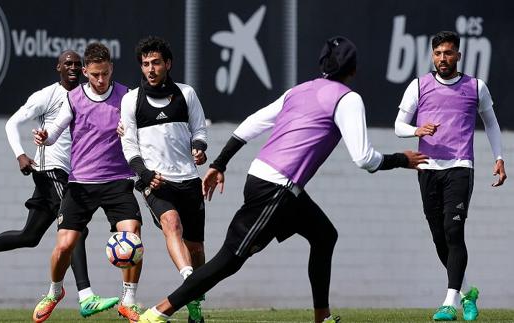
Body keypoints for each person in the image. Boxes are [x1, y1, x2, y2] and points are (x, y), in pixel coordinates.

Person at [136, 36, 428, 323]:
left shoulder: (299, 90)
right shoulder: (349, 99)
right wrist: (402, 159)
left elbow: (251, 124)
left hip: (270, 181)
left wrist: (220, 163)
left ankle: (322, 317)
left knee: (325, 235)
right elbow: (365, 159)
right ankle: (159, 312)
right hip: (277, 189)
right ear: (353, 69)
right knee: (229, 260)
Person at [0, 50, 119, 318]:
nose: (73, 68)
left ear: (85, 69)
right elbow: (12, 123)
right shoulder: (47, 96)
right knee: (77, 231)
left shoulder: (87, 95)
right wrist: (20, 154)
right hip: (52, 171)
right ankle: (85, 296)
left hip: (66, 174)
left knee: (29, 236)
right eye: (68, 64)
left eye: (77, 64)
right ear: (58, 68)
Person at [394, 30, 506, 321]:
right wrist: (416, 130)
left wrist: (499, 158)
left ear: (458, 55)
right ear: (432, 56)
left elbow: (491, 124)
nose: (443, 58)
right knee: (440, 237)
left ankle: (448, 303)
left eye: (448, 53)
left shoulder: (476, 87)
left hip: (460, 167)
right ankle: (468, 293)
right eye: (438, 53)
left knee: (454, 231)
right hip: (427, 168)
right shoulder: (418, 86)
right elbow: (398, 126)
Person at [31, 43, 143, 323]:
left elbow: (140, 131)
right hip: (81, 183)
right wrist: (46, 136)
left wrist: (129, 132)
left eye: (105, 73)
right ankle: (55, 291)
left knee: (132, 237)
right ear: (85, 72)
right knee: (65, 245)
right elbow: (56, 131)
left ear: (111, 69)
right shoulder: (74, 98)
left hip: (118, 180)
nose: (101, 80)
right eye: (95, 75)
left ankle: (128, 300)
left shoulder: (127, 96)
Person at [120, 36, 208, 323]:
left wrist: (199, 148)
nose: (150, 69)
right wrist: (144, 175)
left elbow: (200, 131)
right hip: (156, 181)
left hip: (189, 180)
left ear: (168, 64)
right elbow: (129, 146)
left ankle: (196, 298)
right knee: (172, 225)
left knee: (196, 248)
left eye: (156, 62)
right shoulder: (131, 99)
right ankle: (189, 282)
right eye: (145, 64)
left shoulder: (187, 94)